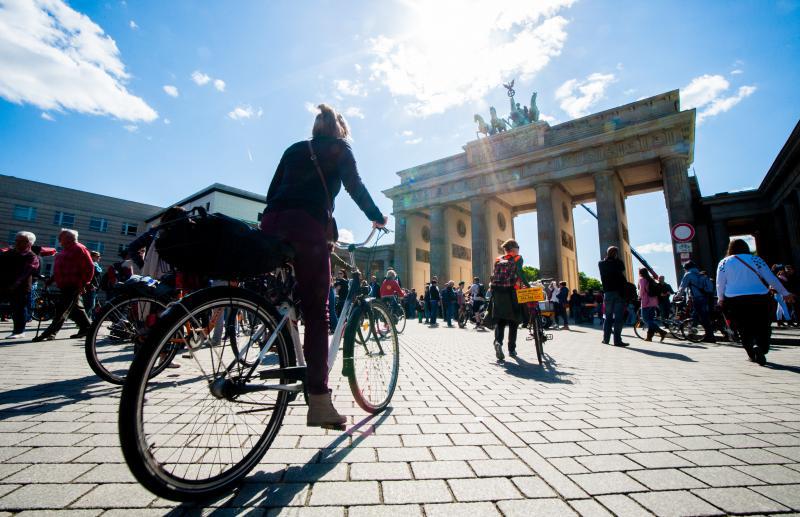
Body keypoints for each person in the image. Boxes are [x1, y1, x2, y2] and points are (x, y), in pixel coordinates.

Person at [260, 103, 386, 428]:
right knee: (317, 313)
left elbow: (272, 192)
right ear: (339, 130)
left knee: (282, 298)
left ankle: (285, 351)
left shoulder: (294, 149)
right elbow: (355, 187)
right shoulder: (339, 149)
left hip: (272, 223)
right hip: (306, 228)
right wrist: (376, 216)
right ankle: (318, 402)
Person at [717, 239, 793, 365]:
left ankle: (752, 353)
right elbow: (771, 278)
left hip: (735, 299)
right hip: (759, 296)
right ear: (746, 247)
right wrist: (785, 293)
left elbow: (720, 283)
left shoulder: (724, 263)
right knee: (763, 324)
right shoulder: (756, 259)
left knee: (743, 327)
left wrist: (721, 299)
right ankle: (761, 346)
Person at [32, 229, 95, 342]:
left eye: (61, 237)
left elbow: (89, 268)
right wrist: (51, 280)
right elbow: (60, 269)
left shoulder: (79, 248)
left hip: (73, 284)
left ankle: (49, 333)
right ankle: (87, 328)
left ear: (68, 238)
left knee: (62, 310)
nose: (59, 239)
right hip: (64, 285)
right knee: (76, 309)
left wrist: (84, 284)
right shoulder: (65, 250)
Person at [1, 232, 40, 339]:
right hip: (5, 284)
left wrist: (15, 284)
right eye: (16, 240)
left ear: (29, 243)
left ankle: (19, 331)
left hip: (20, 287)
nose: (16, 243)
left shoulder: (32, 256)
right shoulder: (10, 253)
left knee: (19, 309)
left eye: (20, 241)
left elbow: (26, 272)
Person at [490, 239, 524, 360]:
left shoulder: (498, 260)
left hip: (498, 294)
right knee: (513, 322)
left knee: (501, 321)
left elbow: (493, 275)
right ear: (514, 249)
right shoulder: (517, 259)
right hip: (512, 293)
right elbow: (520, 274)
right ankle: (512, 349)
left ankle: (498, 342)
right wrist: (528, 286)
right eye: (518, 247)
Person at [598, 246, 629, 347]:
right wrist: (617, 258)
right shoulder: (618, 263)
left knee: (608, 318)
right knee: (618, 318)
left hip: (608, 293)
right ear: (616, 254)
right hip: (619, 293)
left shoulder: (601, 263)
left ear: (607, 253)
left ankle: (605, 339)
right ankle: (617, 341)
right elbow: (622, 269)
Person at [679, 261, 716, 343]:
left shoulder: (688, 275)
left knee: (702, 317)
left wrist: (677, 295)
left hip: (697, 298)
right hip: (706, 297)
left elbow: (682, 287)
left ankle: (710, 336)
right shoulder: (701, 274)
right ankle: (692, 334)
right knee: (696, 316)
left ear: (686, 268)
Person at [638, 268, 667, 342]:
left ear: (640, 273)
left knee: (645, 319)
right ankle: (649, 337)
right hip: (654, 301)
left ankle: (661, 332)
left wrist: (639, 297)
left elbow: (642, 291)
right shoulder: (651, 279)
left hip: (646, 302)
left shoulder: (642, 280)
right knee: (650, 319)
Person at [82, 251, 104, 321]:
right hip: (90, 287)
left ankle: (88, 319)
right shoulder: (90, 264)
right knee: (90, 304)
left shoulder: (96, 264)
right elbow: (87, 276)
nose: (99, 258)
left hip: (94, 288)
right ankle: (85, 320)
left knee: (92, 305)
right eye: (97, 256)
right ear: (92, 256)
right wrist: (90, 285)